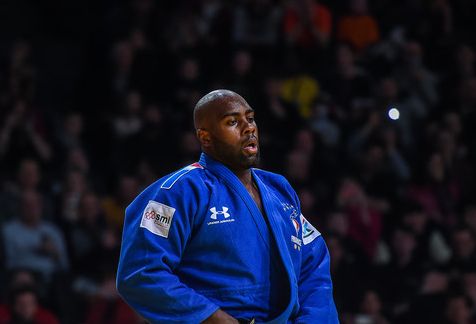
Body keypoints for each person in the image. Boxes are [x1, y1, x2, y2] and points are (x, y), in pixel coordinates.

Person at [116, 90, 338, 323]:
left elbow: (314, 267)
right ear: (205, 137)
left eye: (250, 119)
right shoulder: (177, 191)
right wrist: (216, 320)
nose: (248, 128)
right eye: (232, 122)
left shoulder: (279, 189)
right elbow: (141, 272)